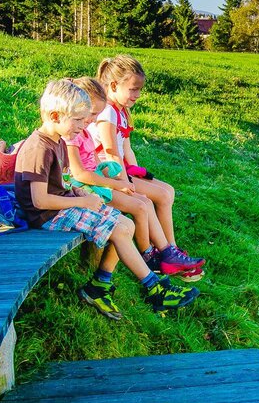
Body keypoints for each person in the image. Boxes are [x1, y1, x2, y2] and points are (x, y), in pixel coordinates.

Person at [14, 79, 198, 320]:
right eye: (78, 120)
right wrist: (81, 202)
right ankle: (155, 289)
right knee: (119, 228)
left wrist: (80, 193)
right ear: (56, 115)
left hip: (60, 206)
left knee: (127, 224)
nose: (83, 126)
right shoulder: (38, 148)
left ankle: (100, 285)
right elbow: (38, 201)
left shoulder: (56, 140)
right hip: (47, 216)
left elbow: (61, 182)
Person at [66, 76, 202, 281]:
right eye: (91, 114)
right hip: (85, 188)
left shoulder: (84, 132)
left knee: (144, 202)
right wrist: (117, 183)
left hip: (97, 184)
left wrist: (119, 177)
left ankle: (165, 252)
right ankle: (149, 256)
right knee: (138, 208)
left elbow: (95, 163)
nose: (93, 120)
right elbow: (79, 174)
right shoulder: (73, 136)